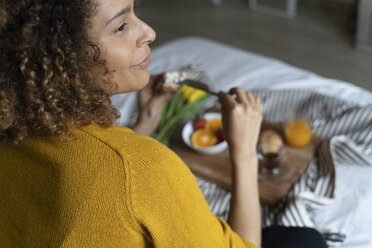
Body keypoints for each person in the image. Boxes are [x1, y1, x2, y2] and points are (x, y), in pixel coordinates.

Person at [0, 0, 327, 247]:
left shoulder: (12, 127)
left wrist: (147, 121)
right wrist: (242, 153)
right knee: (306, 241)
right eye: (121, 26)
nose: (149, 32)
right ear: (61, 55)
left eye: (134, 12)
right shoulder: (143, 170)